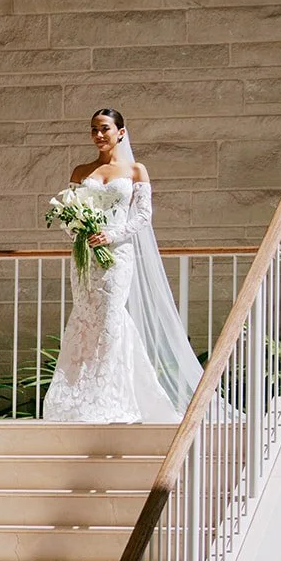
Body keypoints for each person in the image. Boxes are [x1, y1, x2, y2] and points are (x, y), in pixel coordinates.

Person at [42, 109, 204, 424]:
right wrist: (81, 230)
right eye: (93, 130)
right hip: (85, 256)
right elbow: (67, 214)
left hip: (117, 257)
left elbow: (143, 215)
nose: (98, 135)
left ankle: (106, 397)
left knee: (110, 319)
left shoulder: (135, 170)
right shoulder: (81, 170)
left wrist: (112, 235)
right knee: (86, 319)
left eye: (104, 129)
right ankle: (78, 397)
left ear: (121, 132)